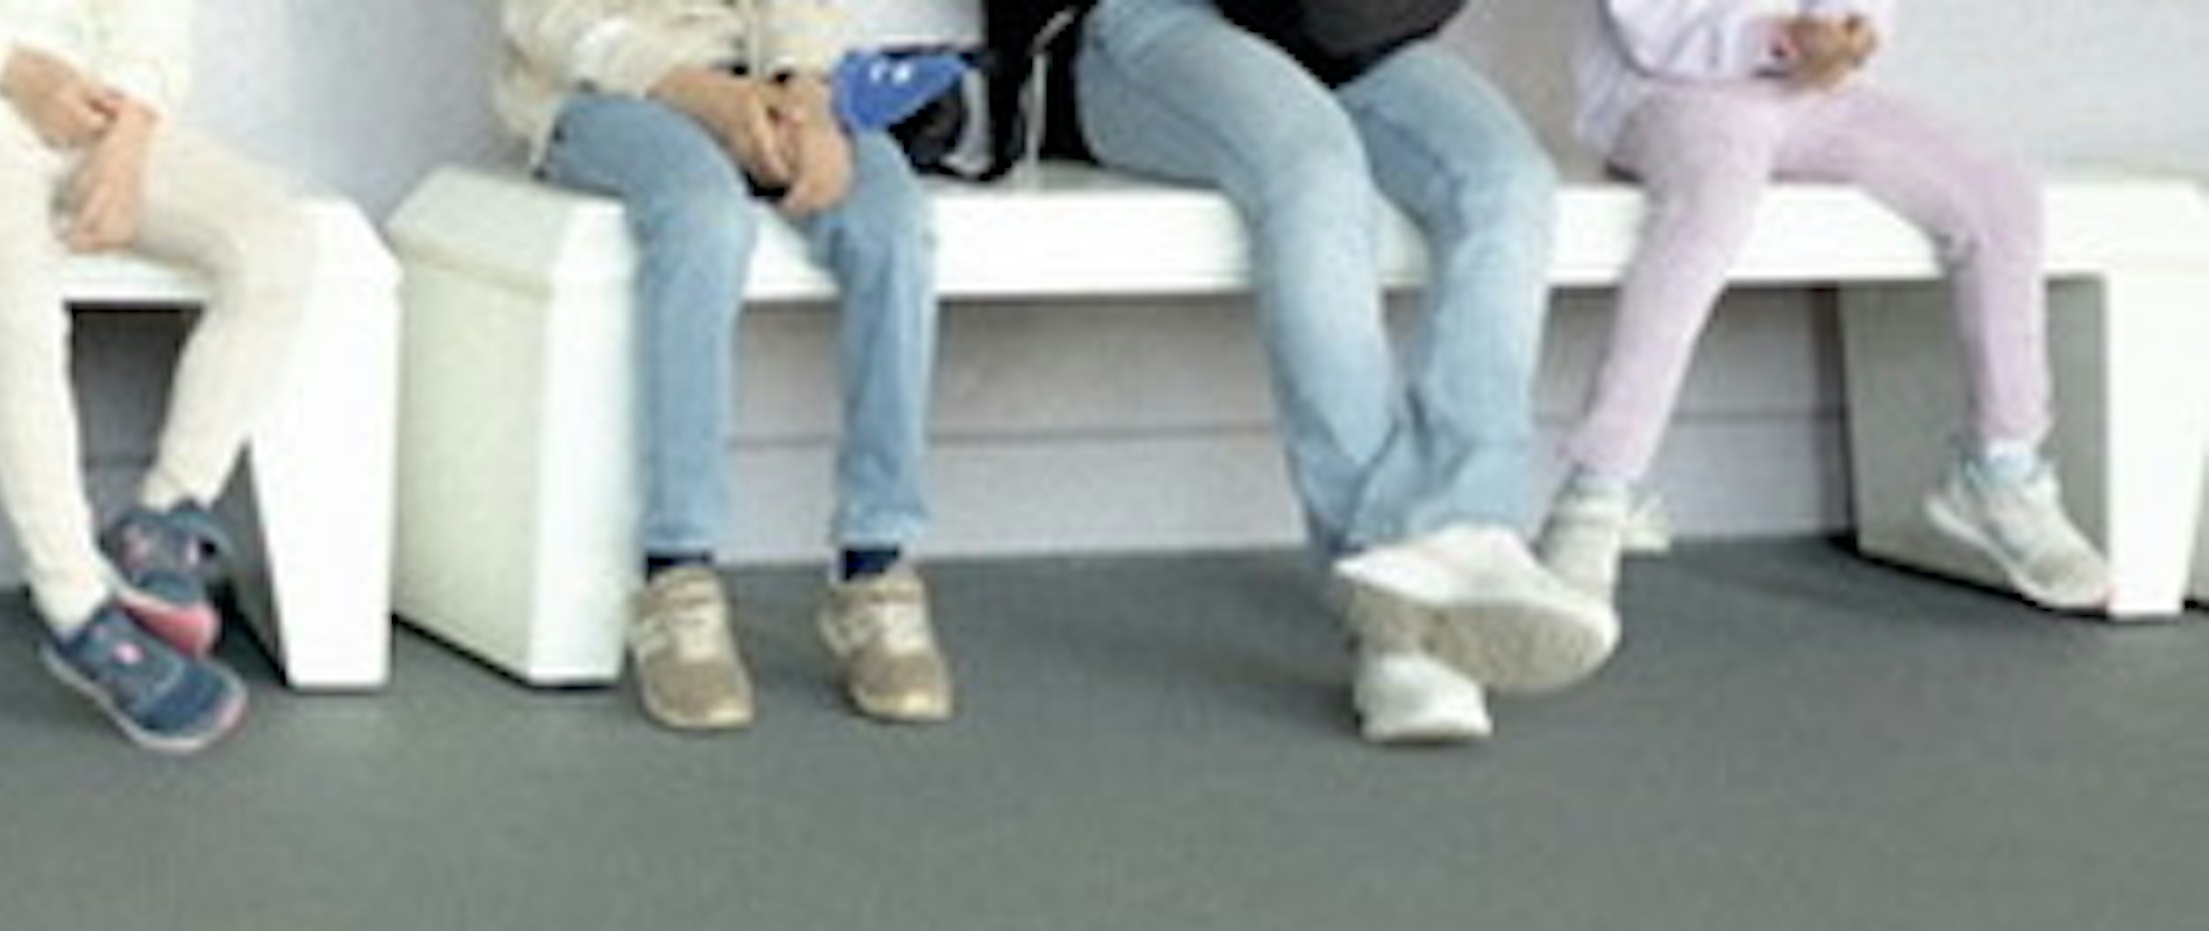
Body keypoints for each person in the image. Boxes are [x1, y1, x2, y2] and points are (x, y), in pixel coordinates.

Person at [1073, 0, 1615, 746]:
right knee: (1315, 171)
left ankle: (1463, 526)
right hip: (1152, 28)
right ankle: (1394, 606)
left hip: (1346, 31)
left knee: (1506, 178)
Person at [0, 0, 314, 754]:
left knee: (273, 243)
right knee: (16, 303)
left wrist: (130, 135)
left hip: (95, 109)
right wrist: (15, 69)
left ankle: (166, 514)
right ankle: (78, 611)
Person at [1539, 1, 2108, 613]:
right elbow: (1649, 27)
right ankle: (1599, 485)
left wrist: (1852, 29)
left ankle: (2002, 467)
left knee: (1999, 196)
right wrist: (1778, 39)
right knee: (1713, 203)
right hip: (1665, 93)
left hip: (1805, 94)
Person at [498, 1, 952, 735]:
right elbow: (548, 23)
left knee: (891, 225)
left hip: (767, 89)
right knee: (703, 217)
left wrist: (805, 98)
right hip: (606, 97)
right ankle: (677, 574)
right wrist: (707, 97)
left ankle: (876, 565)